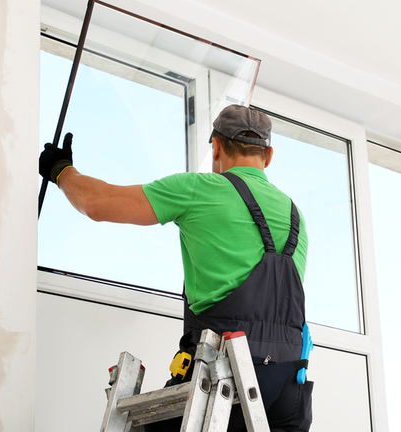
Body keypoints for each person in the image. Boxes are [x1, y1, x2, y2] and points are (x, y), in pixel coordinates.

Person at [39, 105, 313, 431]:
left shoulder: (199, 189)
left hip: (222, 383)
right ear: (268, 156)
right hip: (287, 393)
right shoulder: (295, 216)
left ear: (216, 147)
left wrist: (61, 171)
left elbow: (96, 204)